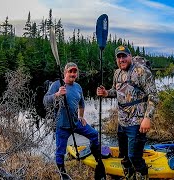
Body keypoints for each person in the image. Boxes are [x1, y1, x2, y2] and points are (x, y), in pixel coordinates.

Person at [97, 45, 158, 179]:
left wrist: (147, 118)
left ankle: (143, 176)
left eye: (124, 56)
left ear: (130, 56)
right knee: (124, 156)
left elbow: (153, 96)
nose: (121, 59)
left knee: (134, 157)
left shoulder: (142, 72)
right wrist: (106, 93)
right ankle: (130, 176)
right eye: (118, 57)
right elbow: (116, 92)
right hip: (122, 122)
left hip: (137, 122)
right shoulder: (117, 73)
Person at [43, 62, 100, 174]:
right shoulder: (56, 85)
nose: (73, 74)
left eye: (75, 71)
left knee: (94, 134)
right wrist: (57, 94)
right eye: (70, 71)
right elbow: (45, 101)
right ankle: (62, 172)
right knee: (60, 152)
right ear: (65, 73)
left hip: (75, 123)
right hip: (62, 125)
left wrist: (81, 117)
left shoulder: (78, 87)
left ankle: (97, 157)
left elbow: (82, 104)